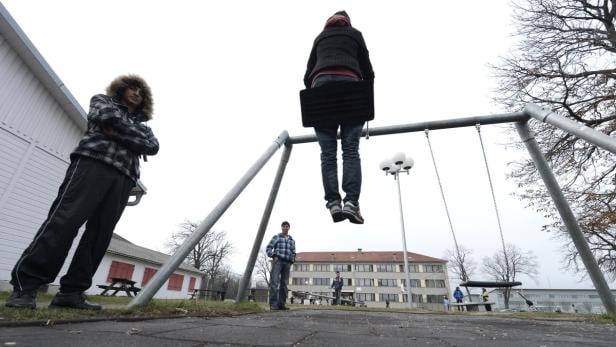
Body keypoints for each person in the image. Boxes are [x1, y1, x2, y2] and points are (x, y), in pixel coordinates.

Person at [5, 75, 159, 310]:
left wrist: (115, 131)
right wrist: (131, 138)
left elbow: (152, 146)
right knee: (64, 221)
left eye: (141, 91)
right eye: (132, 88)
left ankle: (72, 292)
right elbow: (106, 117)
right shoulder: (102, 101)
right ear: (122, 88)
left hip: (124, 176)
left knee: (100, 234)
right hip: (92, 163)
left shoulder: (144, 128)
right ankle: (26, 286)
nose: (137, 93)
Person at [304, 10, 374, 224]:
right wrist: (366, 93)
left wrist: (317, 89)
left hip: (320, 88)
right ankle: (351, 203)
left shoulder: (320, 37)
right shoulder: (354, 34)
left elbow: (307, 74)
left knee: (328, 154)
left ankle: (334, 203)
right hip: (350, 85)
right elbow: (368, 69)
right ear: (347, 23)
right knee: (350, 149)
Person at [266, 221, 296, 311]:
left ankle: (281, 304)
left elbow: (293, 252)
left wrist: (292, 260)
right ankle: (273, 304)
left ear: (289, 228)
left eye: (287, 226)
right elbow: (269, 247)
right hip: (278, 261)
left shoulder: (292, 240)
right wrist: (272, 255)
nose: (285, 228)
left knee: (284, 284)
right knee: (274, 282)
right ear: (281, 227)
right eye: (284, 226)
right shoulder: (277, 237)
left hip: (287, 263)